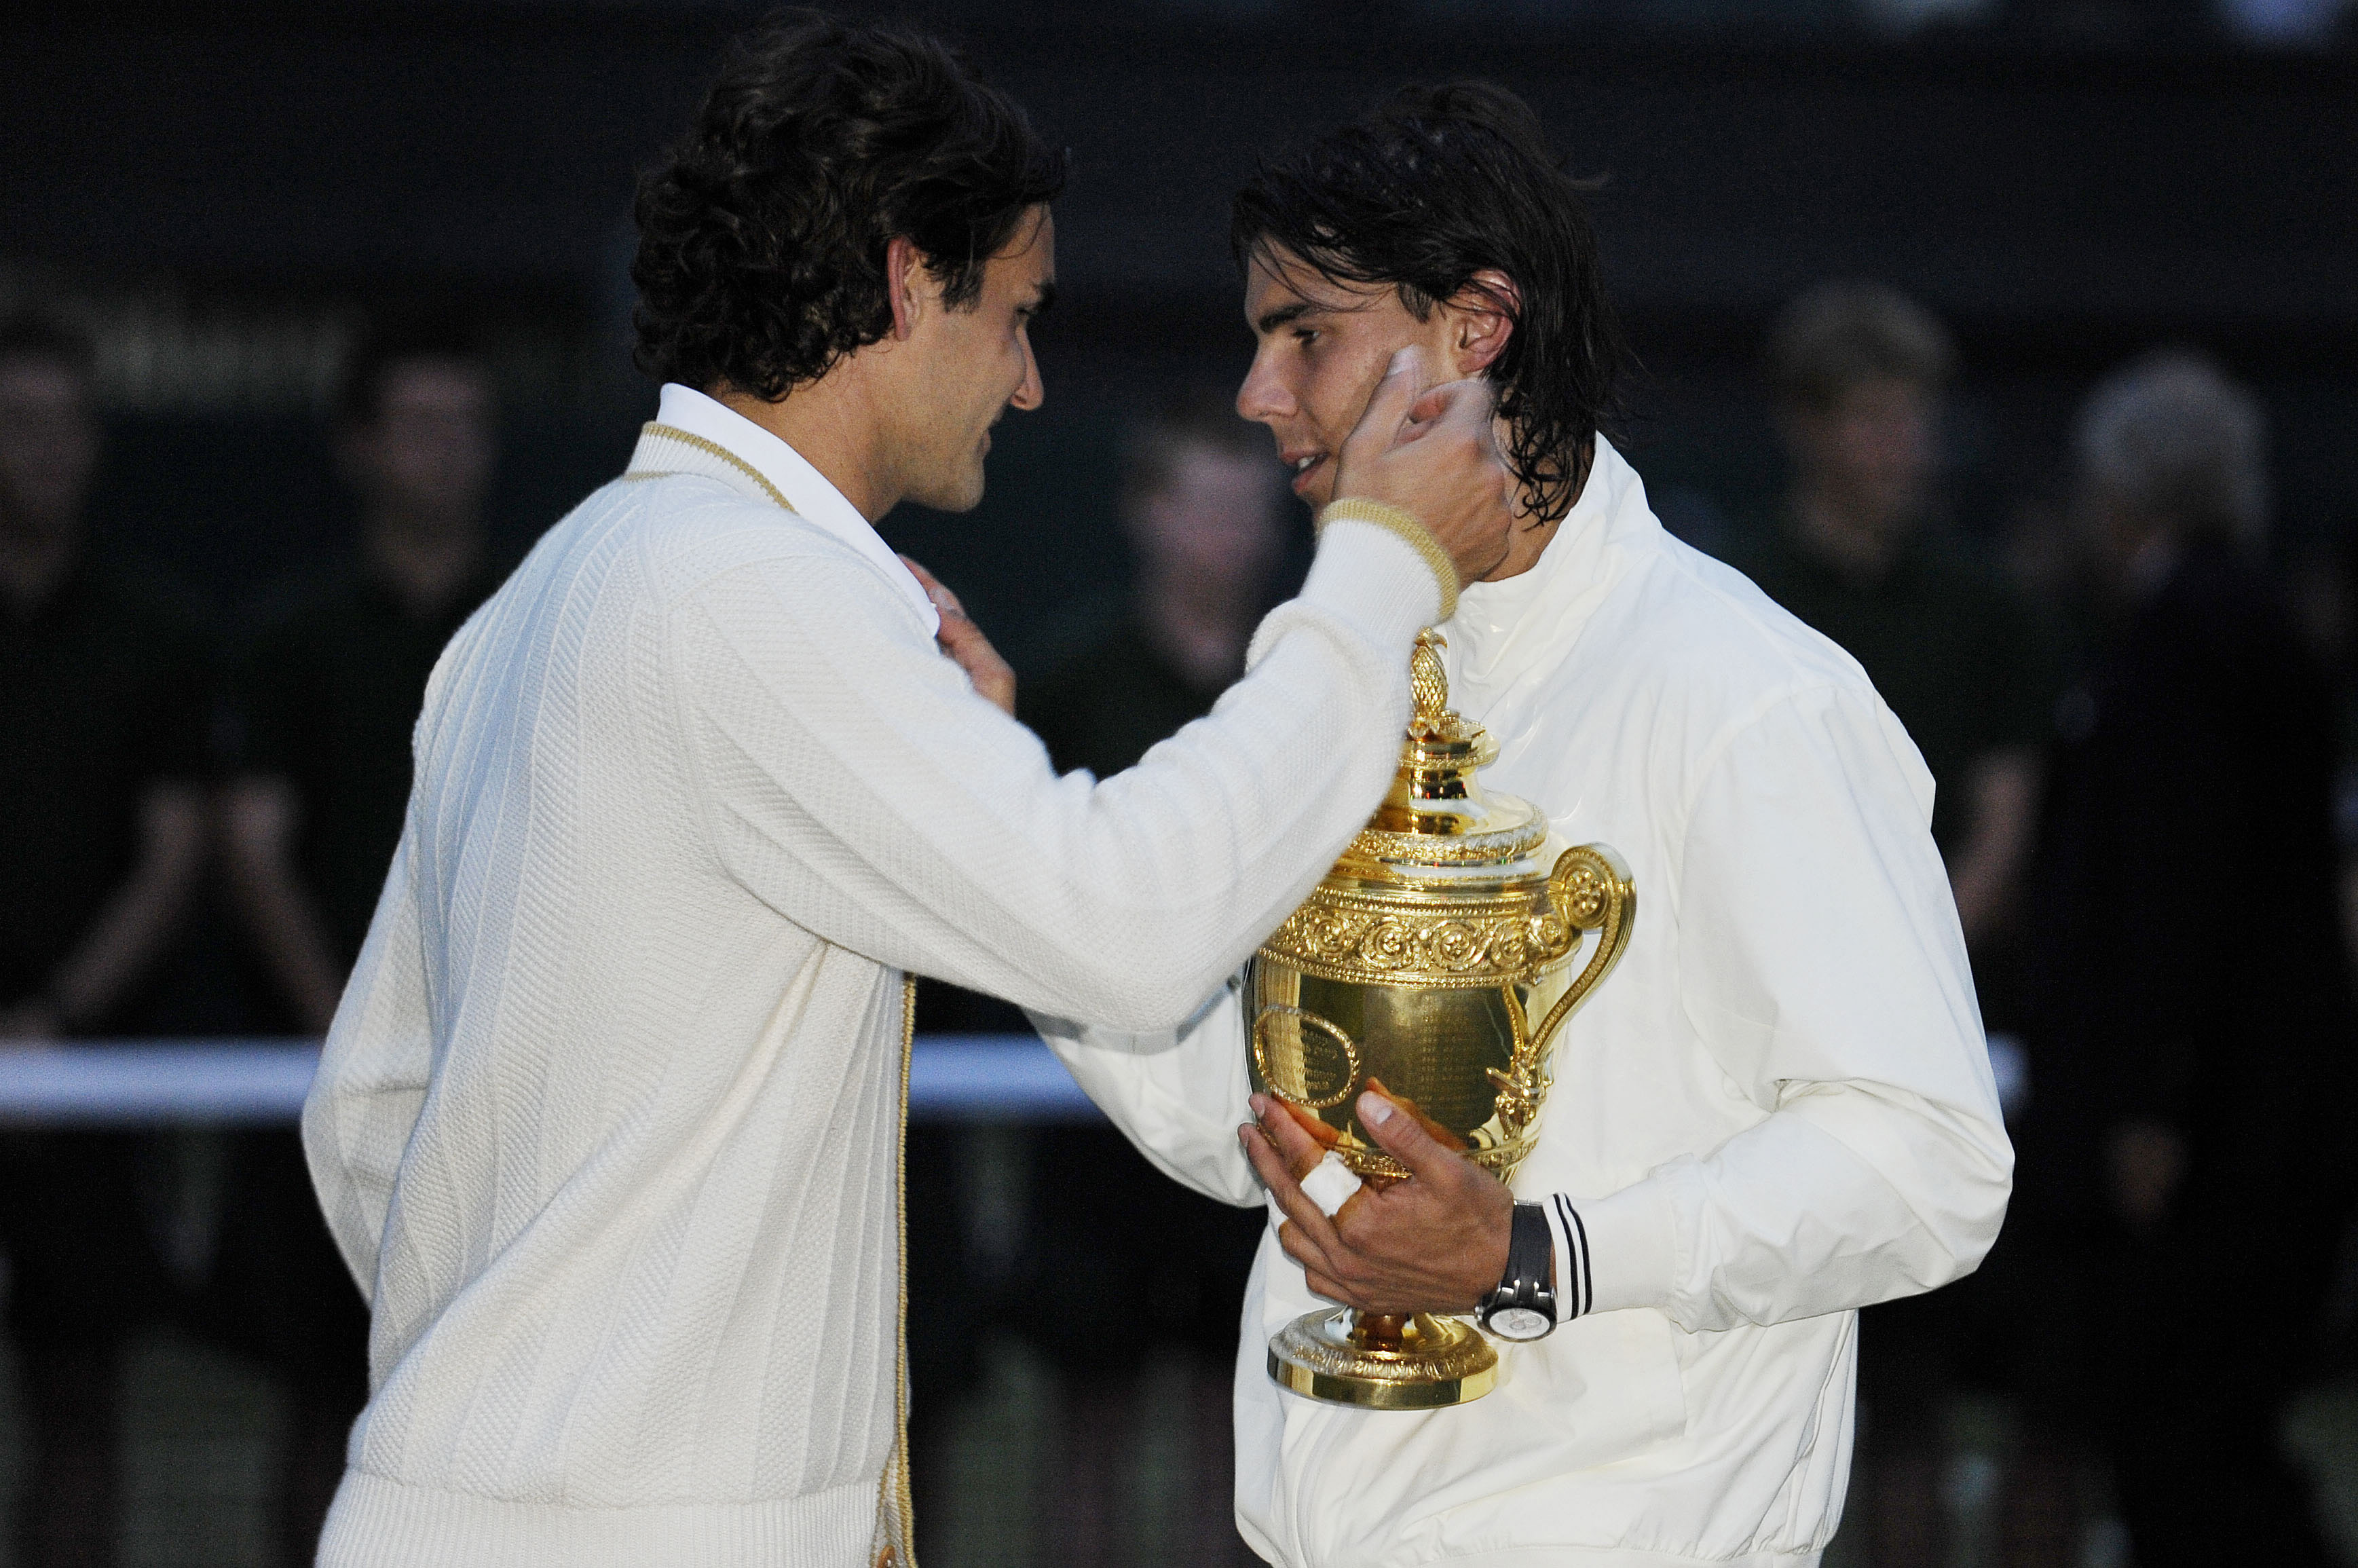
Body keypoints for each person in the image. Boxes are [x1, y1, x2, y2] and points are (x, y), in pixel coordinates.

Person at [299, 14, 1516, 1566]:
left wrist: (502, 1420)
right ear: (900, 282)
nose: (1024, 384)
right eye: (1013, 314)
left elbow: (369, 1118)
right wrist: (1381, 566)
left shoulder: (552, 595)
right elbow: (1125, 926)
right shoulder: (742, 595)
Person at [1036, 82, 2012, 1568]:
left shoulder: (1747, 694)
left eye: (1304, 333)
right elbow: (1247, 1130)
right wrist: (1004, 859)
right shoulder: (1340, 666)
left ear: (1474, 328)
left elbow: (1930, 1164)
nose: (1257, 394)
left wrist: (1536, 1255)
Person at [1728, 284, 2059, 1564]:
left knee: (1948, 1379)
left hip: (1946, 1045)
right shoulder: (1740, 593)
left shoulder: (1988, 611)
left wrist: (1906, 970)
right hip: (1768, 1062)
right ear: (1807, 427)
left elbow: (2004, 818)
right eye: (1870, 417)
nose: (1898, 447)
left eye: (1912, 417)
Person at [2006, 352, 2353, 1567]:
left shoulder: (2177, 646)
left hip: (2208, 1129)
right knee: (2213, 1435)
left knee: (2188, 1445)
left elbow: (2175, 891)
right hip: (2262, 1109)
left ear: (2120, 492)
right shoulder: (2256, 630)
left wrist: (2152, 1098)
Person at [217, 322, 506, 1566]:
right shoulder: (293, 641)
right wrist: (349, 1024)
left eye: (465, 426)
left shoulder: (534, 621)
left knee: (497, 1420)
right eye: (417, 425)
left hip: (507, 1096)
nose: (443, 454)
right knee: (325, 1408)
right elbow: (250, 841)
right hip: (333, 1091)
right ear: (359, 448)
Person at [1019, 394, 1294, 1566]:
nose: (1226, 532)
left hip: (1268, 1113)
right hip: (1097, 1115)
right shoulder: (1070, 680)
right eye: (1203, 502)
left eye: (1248, 503)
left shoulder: (1304, 682)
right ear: (1147, 514)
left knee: (1229, 1418)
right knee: (1092, 1414)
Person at [0, 316, 208, 1568]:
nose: (40, 453)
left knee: (81, 1402)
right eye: (14, 426)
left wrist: (54, 1030)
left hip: (88, 1074)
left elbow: (177, 852)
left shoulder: (155, 635)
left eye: (60, 426)